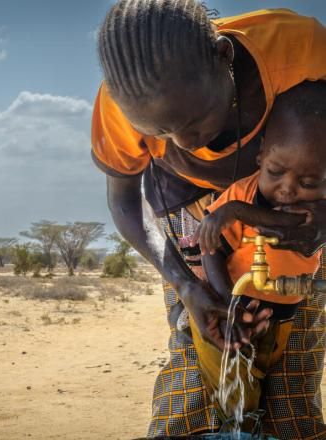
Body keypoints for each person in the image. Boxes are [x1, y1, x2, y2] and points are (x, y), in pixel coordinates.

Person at [91, 1, 326, 437]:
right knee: (203, 349)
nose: (183, 141)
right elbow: (123, 201)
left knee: (294, 346)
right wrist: (185, 284)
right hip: (188, 209)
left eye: (195, 120)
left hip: (289, 201)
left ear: (224, 56)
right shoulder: (120, 105)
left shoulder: (304, 48)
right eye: (159, 132)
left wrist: (321, 218)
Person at [185, 81, 326, 426]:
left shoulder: (316, 211)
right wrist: (225, 303)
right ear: (261, 154)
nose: (288, 188)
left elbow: (283, 220)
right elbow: (211, 249)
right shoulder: (243, 193)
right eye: (275, 172)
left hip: (281, 321)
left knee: (273, 395)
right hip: (230, 311)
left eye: (308, 183)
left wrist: (234, 212)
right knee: (234, 399)